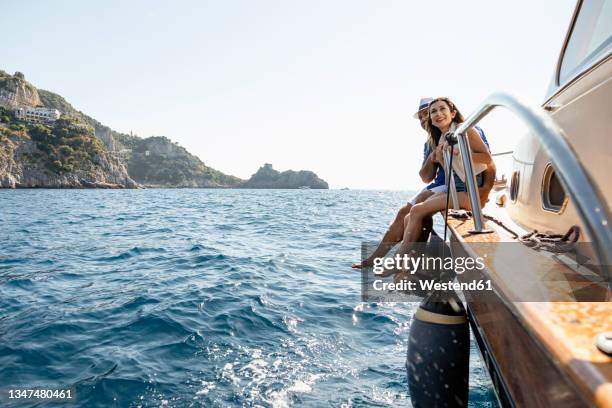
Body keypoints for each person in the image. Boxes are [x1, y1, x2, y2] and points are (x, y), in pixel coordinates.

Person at [393, 97, 495, 261]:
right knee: (410, 214)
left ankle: (397, 261)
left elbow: (487, 159)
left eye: (442, 109)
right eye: (433, 111)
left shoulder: (464, 129)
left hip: (470, 193)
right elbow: (448, 177)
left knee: (416, 210)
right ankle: (410, 264)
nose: (438, 114)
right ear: (430, 119)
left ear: (453, 113)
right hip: (457, 190)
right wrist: (440, 158)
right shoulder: (441, 140)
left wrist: (460, 152)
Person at [352, 97, 441, 269]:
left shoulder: (451, 133)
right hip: (436, 184)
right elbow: (426, 177)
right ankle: (377, 260)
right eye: (421, 117)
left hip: (445, 186)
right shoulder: (429, 143)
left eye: (426, 115)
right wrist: (432, 157)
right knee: (403, 214)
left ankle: (400, 264)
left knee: (413, 214)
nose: (423, 120)